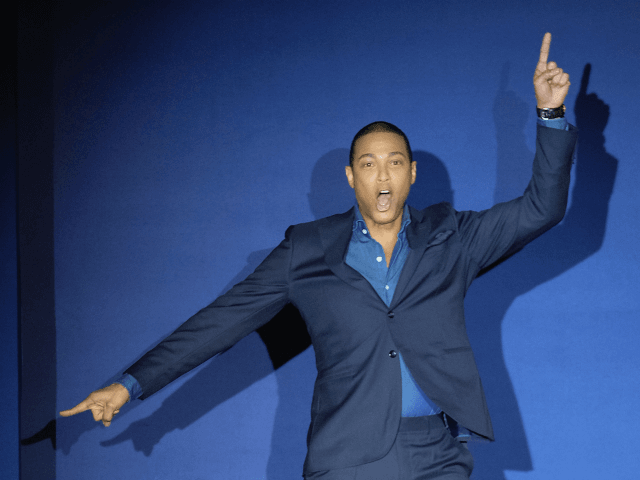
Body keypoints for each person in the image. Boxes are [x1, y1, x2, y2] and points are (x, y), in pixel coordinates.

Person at [60, 33, 576, 479]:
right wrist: (130, 386)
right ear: (351, 177)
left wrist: (549, 114)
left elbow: (541, 208)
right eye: (368, 164)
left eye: (394, 163)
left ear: (411, 174)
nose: (382, 176)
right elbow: (220, 321)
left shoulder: (453, 235)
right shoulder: (306, 248)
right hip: (347, 456)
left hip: (437, 455)